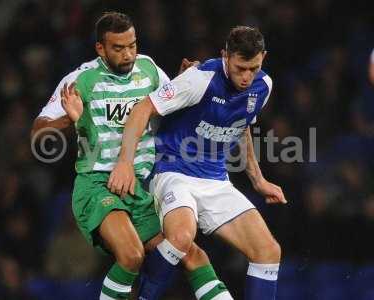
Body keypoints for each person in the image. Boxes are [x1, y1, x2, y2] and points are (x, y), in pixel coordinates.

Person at [31, 11, 233, 300]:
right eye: (118, 48)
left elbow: (170, 105)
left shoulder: (148, 69)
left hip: (141, 187)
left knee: (192, 254)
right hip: (97, 184)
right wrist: (70, 119)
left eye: (132, 45)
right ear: (100, 48)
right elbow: (38, 133)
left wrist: (182, 81)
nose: (128, 54)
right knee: (131, 254)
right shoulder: (81, 80)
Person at [109, 25, 287, 300]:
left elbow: (241, 126)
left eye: (253, 68)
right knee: (181, 237)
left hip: (216, 179)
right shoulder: (198, 79)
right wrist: (125, 162)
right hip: (173, 171)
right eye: (240, 68)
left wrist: (258, 180)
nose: (246, 77)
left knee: (268, 251)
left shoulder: (263, 86)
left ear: (263, 57)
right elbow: (143, 108)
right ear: (225, 55)